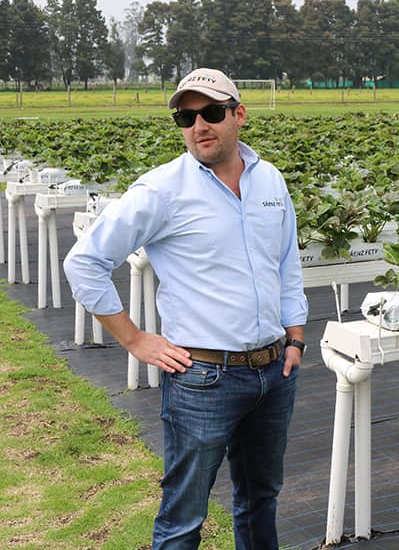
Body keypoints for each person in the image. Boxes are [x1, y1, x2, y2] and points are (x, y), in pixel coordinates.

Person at [64, 68, 308, 549]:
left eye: (211, 112)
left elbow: (286, 264)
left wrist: (295, 337)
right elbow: (85, 263)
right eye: (185, 116)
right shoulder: (161, 190)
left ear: (239, 115)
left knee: (261, 500)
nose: (199, 125)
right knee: (183, 516)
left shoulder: (270, 180)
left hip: (274, 370)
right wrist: (134, 339)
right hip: (203, 378)